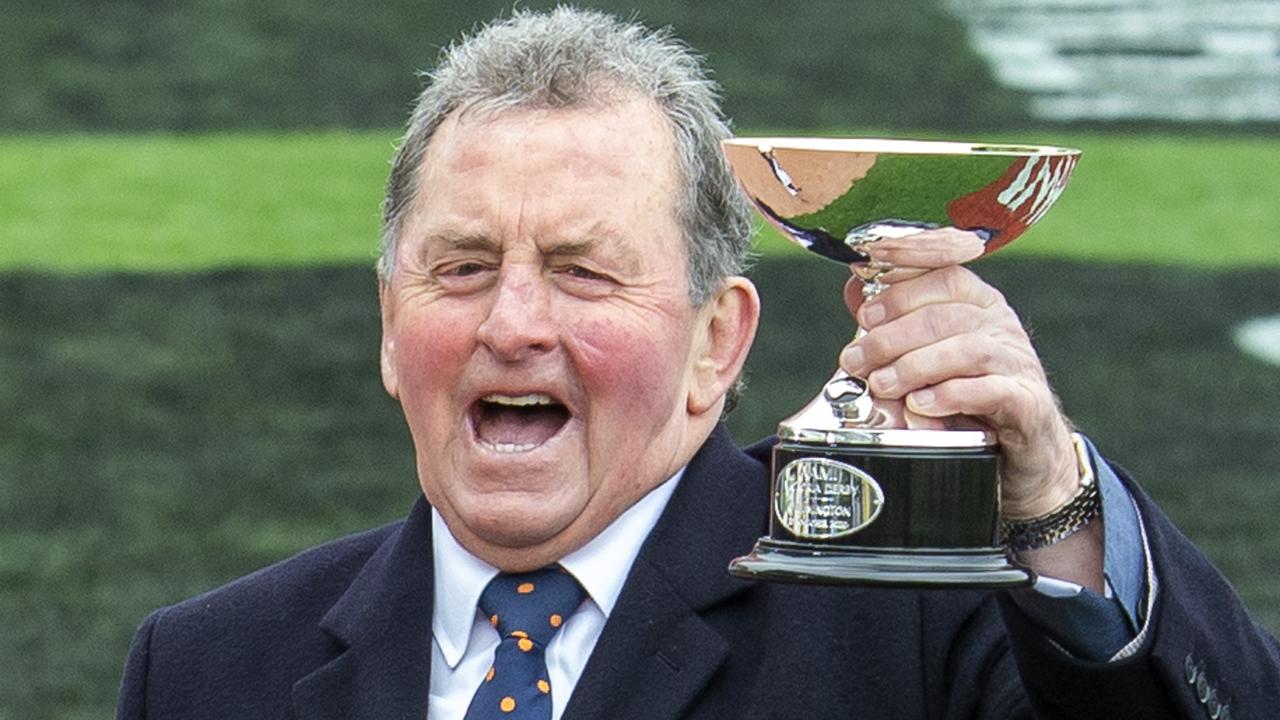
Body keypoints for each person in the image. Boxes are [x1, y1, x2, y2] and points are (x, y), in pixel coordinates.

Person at [117, 8, 1279, 719]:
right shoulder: (206, 669)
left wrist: (1047, 503)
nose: (510, 322)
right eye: (462, 268)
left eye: (581, 271)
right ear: (387, 322)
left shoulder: (928, 615)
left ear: (715, 340)